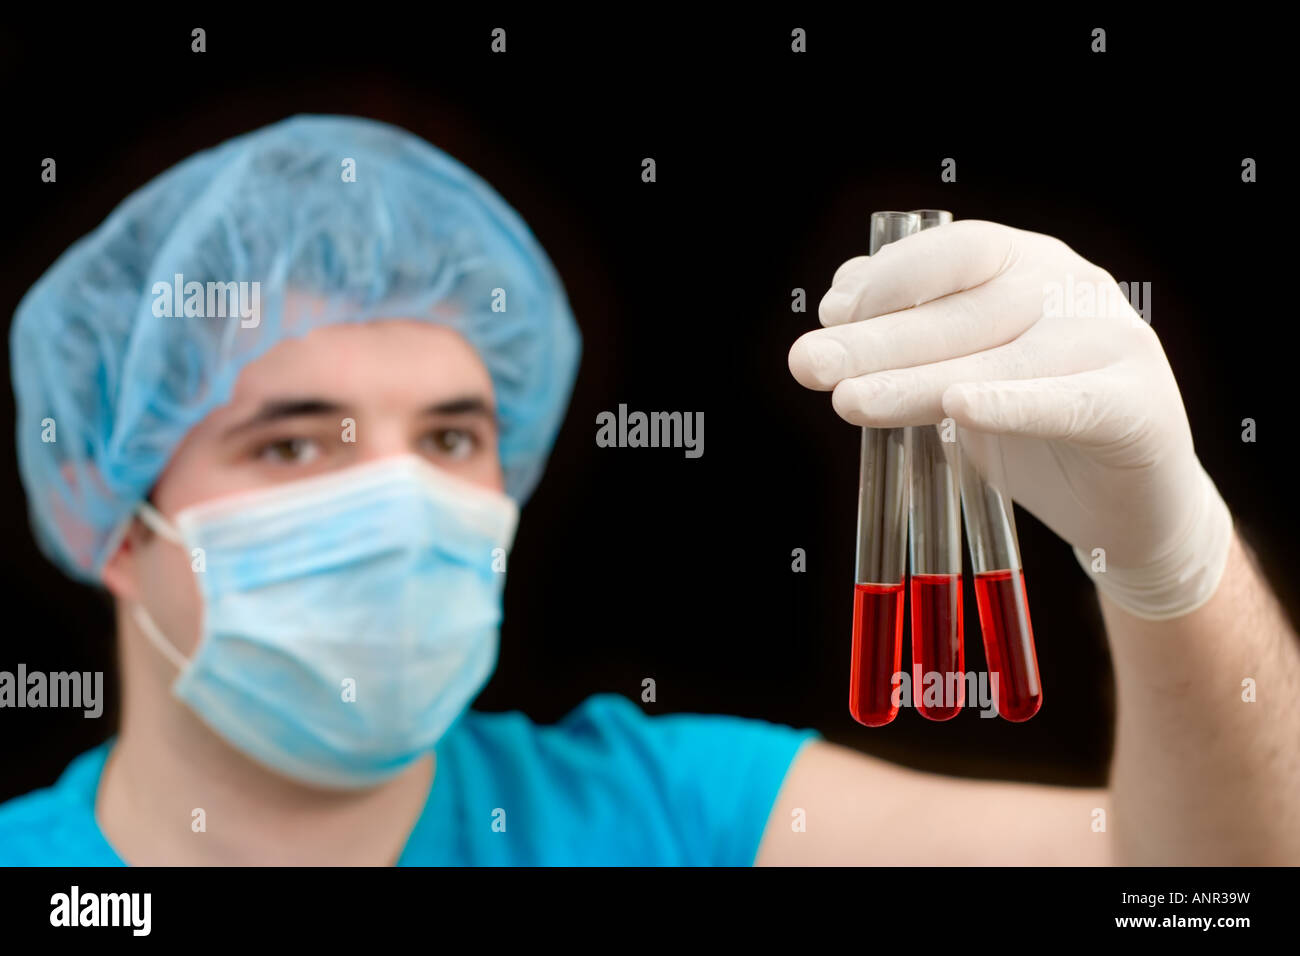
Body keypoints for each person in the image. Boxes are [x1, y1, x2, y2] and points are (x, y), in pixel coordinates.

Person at [1, 115, 1296, 866]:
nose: (399, 500)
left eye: (452, 439)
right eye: (297, 445)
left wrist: (1168, 556)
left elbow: (1199, 882)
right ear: (111, 517)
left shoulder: (664, 815)